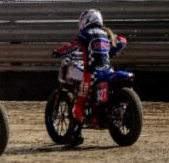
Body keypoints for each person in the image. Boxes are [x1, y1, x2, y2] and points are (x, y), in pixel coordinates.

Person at [53, 9, 127, 146]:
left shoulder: (85, 34)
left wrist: (58, 52)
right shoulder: (106, 33)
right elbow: (123, 41)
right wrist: (110, 52)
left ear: (86, 20)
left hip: (91, 73)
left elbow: (73, 45)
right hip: (107, 71)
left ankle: (75, 137)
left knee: (79, 104)